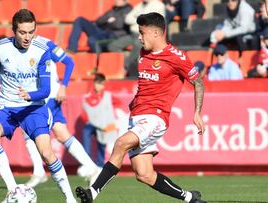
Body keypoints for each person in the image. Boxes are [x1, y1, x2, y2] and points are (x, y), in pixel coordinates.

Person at [76, 12, 206, 203]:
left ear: (156, 33)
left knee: (120, 143)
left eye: (142, 33)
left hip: (156, 117)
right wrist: (135, 102)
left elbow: (198, 82)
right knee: (144, 174)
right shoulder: (143, 53)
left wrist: (197, 113)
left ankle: (92, 192)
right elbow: (147, 84)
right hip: (136, 116)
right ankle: (190, 198)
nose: (139, 37)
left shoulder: (177, 57)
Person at [0, 9, 76, 203]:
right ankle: (14, 191)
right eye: (23, 32)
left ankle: (70, 198)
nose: (27, 37)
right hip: (7, 106)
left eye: (31, 32)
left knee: (46, 153)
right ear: (14, 31)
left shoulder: (41, 50)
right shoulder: (0, 48)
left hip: (34, 107)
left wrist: (31, 95)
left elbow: (46, 90)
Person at [23, 42, 100, 188]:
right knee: (62, 134)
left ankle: (39, 172)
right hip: (39, 97)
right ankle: (93, 168)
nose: (26, 35)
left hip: (49, 97)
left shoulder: (46, 44)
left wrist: (63, 87)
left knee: (28, 131)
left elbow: (69, 62)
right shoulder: (20, 48)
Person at [107, 0, 165, 78]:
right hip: (133, 34)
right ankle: (126, 59)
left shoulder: (158, 5)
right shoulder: (140, 5)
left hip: (147, 35)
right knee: (113, 45)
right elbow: (127, 19)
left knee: (137, 44)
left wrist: (137, 18)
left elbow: (148, 22)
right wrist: (140, 20)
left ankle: (125, 67)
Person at [81, 73, 118, 168]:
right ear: (94, 83)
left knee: (102, 145)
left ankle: (100, 166)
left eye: (101, 84)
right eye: (97, 83)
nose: (99, 86)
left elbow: (118, 103)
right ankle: (87, 164)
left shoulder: (108, 96)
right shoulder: (88, 96)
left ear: (104, 84)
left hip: (103, 125)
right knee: (86, 135)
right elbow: (85, 113)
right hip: (91, 124)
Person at [66, 0, 132, 53]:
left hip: (113, 35)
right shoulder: (113, 10)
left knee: (92, 40)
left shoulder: (128, 10)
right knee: (79, 20)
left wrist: (110, 20)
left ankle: (98, 60)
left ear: (125, 1)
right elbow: (98, 21)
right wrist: (109, 19)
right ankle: (71, 48)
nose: (116, 1)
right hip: (101, 31)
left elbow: (118, 25)